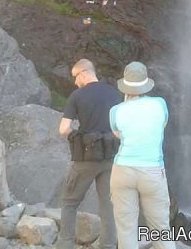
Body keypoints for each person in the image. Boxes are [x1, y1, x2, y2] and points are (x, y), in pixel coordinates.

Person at [109, 61, 176, 249]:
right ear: (146, 84)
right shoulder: (160, 104)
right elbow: (160, 127)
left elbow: (120, 135)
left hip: (123, 170)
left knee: (126, 228)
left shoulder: (115, 111)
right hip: (152, 171)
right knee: (160, 229)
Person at [57, 59, 121, 249]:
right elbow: (119, 128)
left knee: (69, 201)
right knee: (107, 205)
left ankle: (65, 244)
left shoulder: (77, 95)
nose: (75, 82)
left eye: (75, 77)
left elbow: (64, 128)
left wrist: (78, 135)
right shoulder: (114, 93)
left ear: (84, 73)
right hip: (110, 156)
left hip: (85, 158)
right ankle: (108, 245)